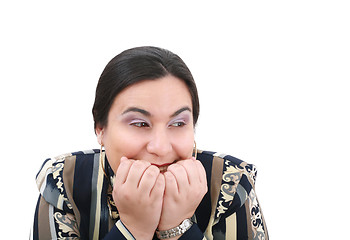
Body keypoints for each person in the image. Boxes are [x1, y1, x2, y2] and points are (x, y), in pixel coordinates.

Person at [32, 46, 269, 240]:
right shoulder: (63, 182)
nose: (161, 147)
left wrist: (177, 228)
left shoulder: (230, 184)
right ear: (100, 128)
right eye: (140, 123)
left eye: (177, 124)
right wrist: (133, 228)